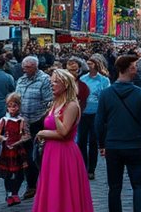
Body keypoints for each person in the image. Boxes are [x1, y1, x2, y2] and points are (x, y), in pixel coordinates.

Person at [96, 54, 141, 212]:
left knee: (114, 187)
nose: (136, 69)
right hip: (134, 144)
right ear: (129, 69)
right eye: (134, 66)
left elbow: (99, 122)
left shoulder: (106, 94)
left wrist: (101, 143)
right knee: (139, 185)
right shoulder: (140, 93)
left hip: (113, 145)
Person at [32, 69, 94, 211]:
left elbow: (64, 132)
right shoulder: (55, 103)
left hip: (64, 153)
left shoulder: (71, 105)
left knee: (63, 189)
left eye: (55, 81)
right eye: (51, 81)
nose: (52, 85)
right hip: (50, 152)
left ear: (65, 84)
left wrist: (43, 132)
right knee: (52, 188)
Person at [16, 55, 53, 200]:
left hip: (38, 122)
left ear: (35, 67)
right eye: (23, 67)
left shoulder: (44, 80)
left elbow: (48, 102)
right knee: (25, 155)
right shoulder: (21, 80)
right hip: (23, 122)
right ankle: (31, 185)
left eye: (28, 67)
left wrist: (44, 119)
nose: (25, 70)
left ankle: (42, 183)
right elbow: (16, 98)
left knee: (36, 155)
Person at [0, 92, 30, 206]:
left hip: (18, 150)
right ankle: (9, 193)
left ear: (19, 106)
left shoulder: (22, 121)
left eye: (14, 106)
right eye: (9, 106)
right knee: (7, 173)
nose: (12, 109)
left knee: (19, 173)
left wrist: (19, 141)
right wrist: (3, 138)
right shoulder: (4, 120)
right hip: (7, 150)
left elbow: (27, 135)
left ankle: (15, 192)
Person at [78, 56, 110, 180]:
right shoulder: (83, 79)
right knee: (81, 141)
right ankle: (82, 166)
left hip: (96, 113)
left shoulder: (103, 80)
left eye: (91, 63)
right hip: (83, 112)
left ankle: (91, 169)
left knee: (92, 141)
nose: (89, 65)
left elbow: (105, 96)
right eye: (88, 63)